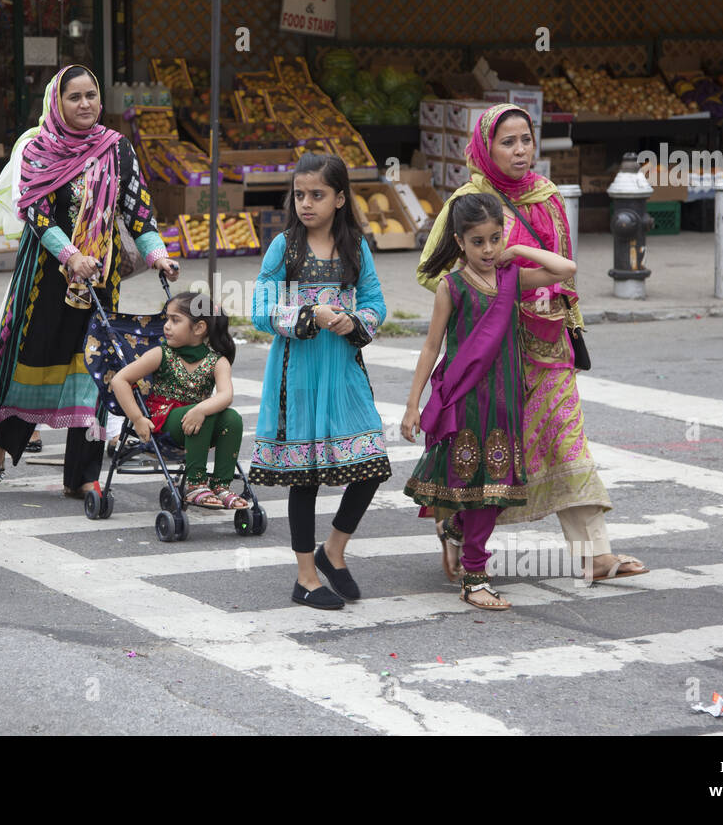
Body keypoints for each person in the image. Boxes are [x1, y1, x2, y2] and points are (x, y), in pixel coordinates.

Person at [417, 102, 647, 583]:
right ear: (486, 147)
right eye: (508, 142)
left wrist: (570, 323)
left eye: (526, 140)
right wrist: (490, 290)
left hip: (550, 342)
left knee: (567, 440)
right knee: (491, 451)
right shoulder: (470, 201)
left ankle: (596, 555)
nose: (521, 151)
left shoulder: (546, 196)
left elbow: (563, 269)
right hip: (494, 356)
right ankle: (458, 525)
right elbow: (431, 271)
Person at [0, 64, 178, 495]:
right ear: (57, 103)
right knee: (35, 363)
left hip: (101, 281)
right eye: (74, 97)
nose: (85, 104)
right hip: (47, 280)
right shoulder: (39, 149)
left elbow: (137, 211)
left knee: (93, 370)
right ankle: (3, 440)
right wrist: (73, 255)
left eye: (91, 96)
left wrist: (159, 255)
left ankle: (82, 478)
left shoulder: (118, 149)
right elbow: (39, 216)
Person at [401, 193, 576, 609]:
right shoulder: (452, 286)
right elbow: (431, 347)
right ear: (460, 241)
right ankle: (475, 577)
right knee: (477, 485)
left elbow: (565, 269)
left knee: (500, 489)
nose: (488, 250)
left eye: (495, 239)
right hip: (465, 400)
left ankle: (458, 529)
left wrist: (516, 250)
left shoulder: (511, 276)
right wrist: (413, 405)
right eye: (478, 241)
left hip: (505, 399)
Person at [250, 153, 390, 611]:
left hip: (345, 371)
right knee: (304, 477)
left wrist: (354, 322)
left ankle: (334, 551)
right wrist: (311, 314)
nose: (306, 203)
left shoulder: (356, 247)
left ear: (340, 198)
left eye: (318, 194)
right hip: (298, 374)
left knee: (371, 463)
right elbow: (261, 311)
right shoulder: (284, 248)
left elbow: (374, 302)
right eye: (300, 194)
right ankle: (305, 577)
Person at [110, 291, 245, 509]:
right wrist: (137, 418)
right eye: (167, 319)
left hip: (199, 420)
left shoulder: (217, 361)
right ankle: (195, 484)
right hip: (165, 421)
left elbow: (225, 395)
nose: (166, 326)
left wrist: (200, 410)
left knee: (232, 418)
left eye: (175, 320)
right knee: (205, 415)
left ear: (199, 328)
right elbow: (120, 380)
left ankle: (221, 485)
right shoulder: (161, 354)